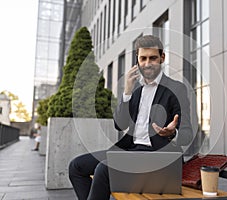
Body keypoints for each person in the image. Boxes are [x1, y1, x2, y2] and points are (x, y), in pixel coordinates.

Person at [69, 35, 195, 200]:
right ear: (137, 60)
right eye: (143, 58)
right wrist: (127, 92)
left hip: (159, 158)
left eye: (153, 58)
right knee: (76, 166)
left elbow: (187, 134)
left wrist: (172, 133)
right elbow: (119, 125)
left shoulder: (176, 88)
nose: (147, 63)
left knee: (103, 169)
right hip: (131, 151)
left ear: (162, 58)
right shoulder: (134, 88)